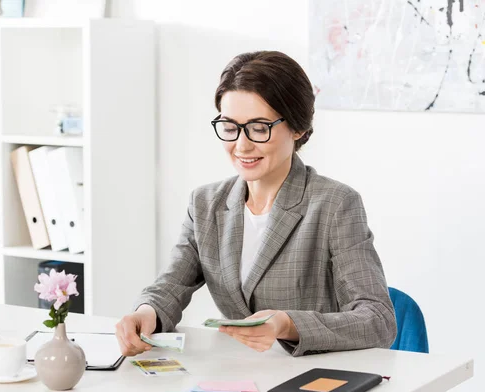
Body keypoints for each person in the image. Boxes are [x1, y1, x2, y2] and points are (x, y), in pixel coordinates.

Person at [115, 51, 397, 357]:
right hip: (238, 375)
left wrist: (287, 324)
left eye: (260, 128)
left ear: (298, 128)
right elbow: (171, 285)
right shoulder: (205, 204)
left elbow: (378, 320)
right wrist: (147, 312)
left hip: (311, 377)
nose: (242, 145)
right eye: (230, 126)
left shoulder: (335, 204)